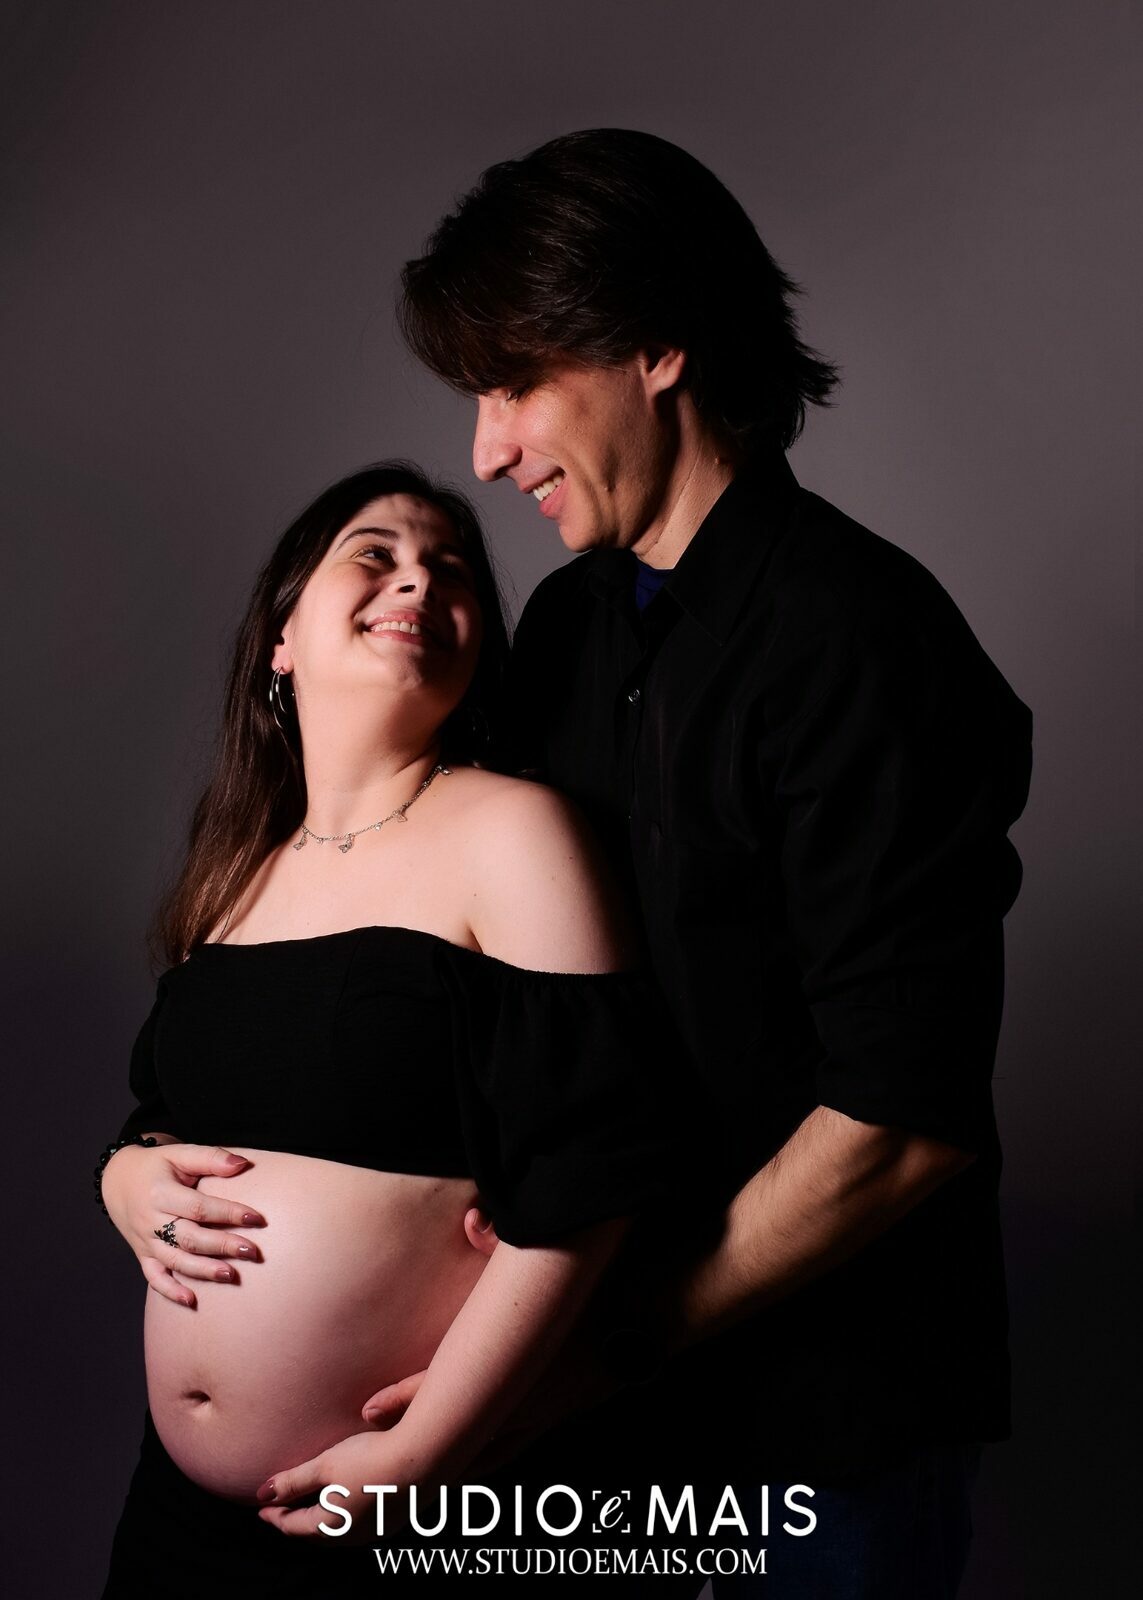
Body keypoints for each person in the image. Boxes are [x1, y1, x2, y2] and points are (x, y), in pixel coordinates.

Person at [392, 128, 1034, 1597]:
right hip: (602, 1428)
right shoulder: (568, 631)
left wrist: (614, 1342)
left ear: (656, 346)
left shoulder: (862, 637)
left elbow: (901, 1121)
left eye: (514, 384)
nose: (484, 452)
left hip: (822, 1445)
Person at [98, 461, 678, 1597]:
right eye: (377, 553)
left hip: (417, 1503)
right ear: (281, 637)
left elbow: (594, 1172)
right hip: (180, 1520)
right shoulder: (235, 875)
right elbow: (170, 1113)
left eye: (449, 570)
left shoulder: (515, 832)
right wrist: (119, 1177)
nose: (418, 579)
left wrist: (426, 1450)